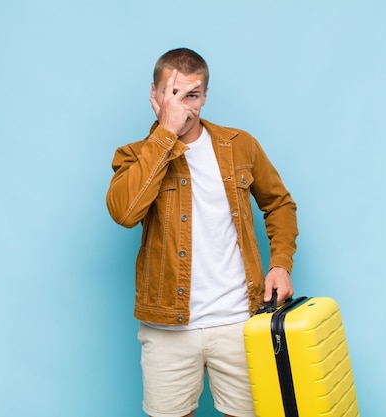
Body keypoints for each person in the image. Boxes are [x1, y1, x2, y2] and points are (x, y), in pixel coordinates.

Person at [106, 47, 298, 417]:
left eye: (191, 95)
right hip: (167, 327)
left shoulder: (239, 145)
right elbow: (126, 213)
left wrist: (281, 264)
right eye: (172, 93)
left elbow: (279, 205)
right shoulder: (133, 154)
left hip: (239, 320)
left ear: (205, 96)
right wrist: (165, 134)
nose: (183, 105)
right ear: (155, 94)